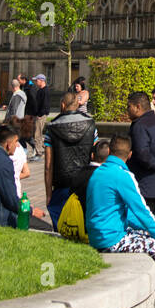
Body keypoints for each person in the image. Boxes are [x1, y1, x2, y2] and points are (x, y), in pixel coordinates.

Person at [85, 132, 155, 308]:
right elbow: (142, 210)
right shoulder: (122, 175)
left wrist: (147, 233)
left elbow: (124, 213)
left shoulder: (98, 173)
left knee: (147, 239)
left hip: (98, 234)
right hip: (112, 239)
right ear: (130, 155)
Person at [44, 90, 99, 228]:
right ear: (77, 104)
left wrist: (48, 194)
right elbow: (96, 156)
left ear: (62, 105)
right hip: (85, 181)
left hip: (62, 182)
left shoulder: (52, 127)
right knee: (83, 224)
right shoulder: (91, 125)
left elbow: (48, 166)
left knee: (61, 224)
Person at [126, 91, 155, 219]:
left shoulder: (140, 125)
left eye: (129, 107)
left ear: (138, 107)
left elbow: (142, 154)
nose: (127, 110)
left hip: (144, 184)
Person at [32, 74, 50, 158]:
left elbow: (45, 105)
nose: (36, 82)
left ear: (42, 80)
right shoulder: (40, 90)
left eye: (37, 80)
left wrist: (40, 114)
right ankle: (42, 148)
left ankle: (39, 152)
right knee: (37, 133)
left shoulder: (45, 91)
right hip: (38, 114)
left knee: (37, 134)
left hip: (41, 115)